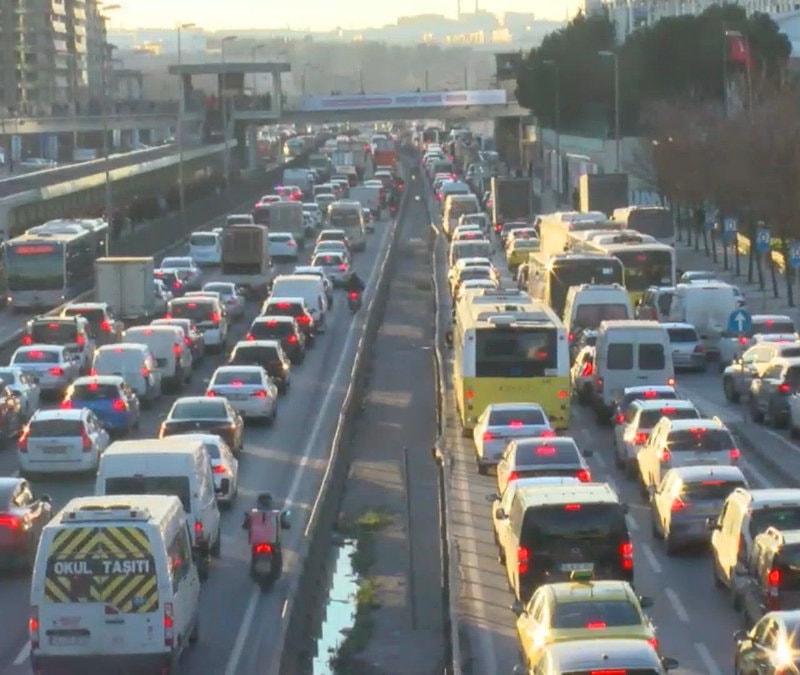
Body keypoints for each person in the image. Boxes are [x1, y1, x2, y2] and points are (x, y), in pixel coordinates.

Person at [242, 492, 283, 577]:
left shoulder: (254, 514)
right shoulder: (275, 514)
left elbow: (245, 525)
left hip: (258, 542)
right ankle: (275, 571)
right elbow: (284, 523)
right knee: (277, 553)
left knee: (256, 553)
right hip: (272, 543)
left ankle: (255, 571)